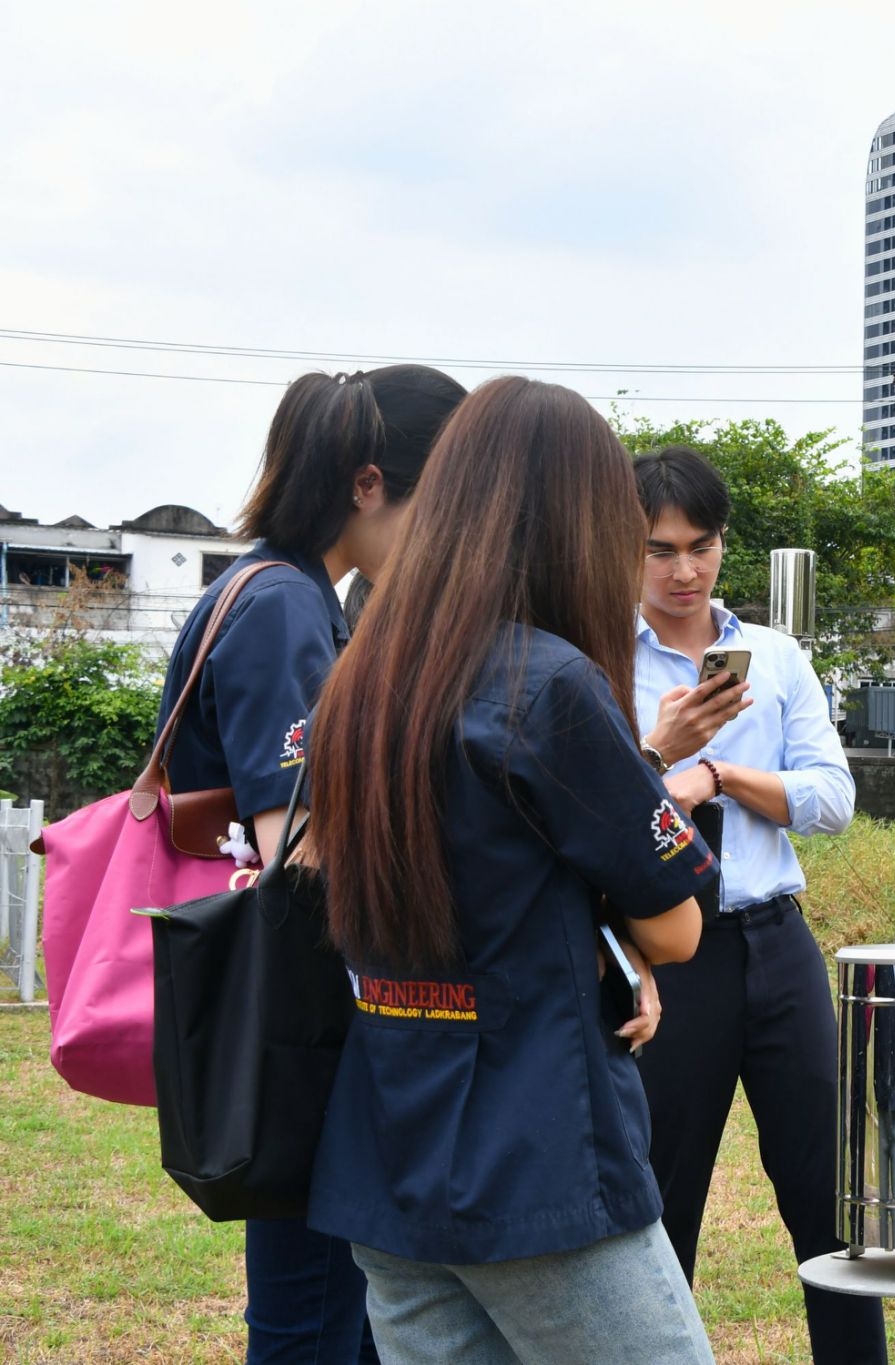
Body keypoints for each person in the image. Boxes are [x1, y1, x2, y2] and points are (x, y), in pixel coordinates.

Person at [304, 377, 719, 1363]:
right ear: (578, 525)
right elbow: (676, 928)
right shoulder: (550, 684)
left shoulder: (359, 678)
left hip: (386, 1153)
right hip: (537, 1159)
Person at [153, 363, 464, 1364]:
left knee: (328, 1313)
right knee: (315, 1319)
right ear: (368, 484)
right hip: (301, 1019)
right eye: (437, 501)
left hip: (282, 1013)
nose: (444, 532)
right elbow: (300, 847)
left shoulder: (273, 590)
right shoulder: (285, 606)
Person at [628, 444, 885, 1364]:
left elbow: (833, 797)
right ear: (626, 548)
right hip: (667, 952)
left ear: (723, 544)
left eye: (701, 546)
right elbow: (594, 809)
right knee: (662, 1201)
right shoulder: (600, 657)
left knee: (831, 1199)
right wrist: (661, 756)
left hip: (777, 941)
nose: (684, 570)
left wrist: (723, 775)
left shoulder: (775, 657)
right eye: (661, 549)